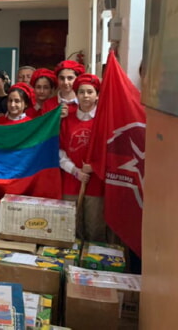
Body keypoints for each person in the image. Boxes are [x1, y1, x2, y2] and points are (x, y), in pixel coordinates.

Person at [59, 73, 106, 242]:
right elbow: (60, 151)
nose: (85, 95)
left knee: (94, 228)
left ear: (97, 95)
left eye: (90, 92)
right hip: (71, 181)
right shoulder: (67, 119)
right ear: (76, 95)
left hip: (95, 182)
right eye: (81, 92)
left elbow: (110, 149)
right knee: (71, 228)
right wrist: (75, 171)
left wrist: (95, 166)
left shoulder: (103, 119)